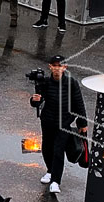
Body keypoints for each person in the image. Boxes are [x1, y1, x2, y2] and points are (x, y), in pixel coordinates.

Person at [30, 54, 88, 194]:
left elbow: (79, 103)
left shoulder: (71, 83)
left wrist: (82, 123)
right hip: (48, 121)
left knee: (58, 151)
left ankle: (56, 181)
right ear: (50, 67)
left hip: (64, 123)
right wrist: (34, 100)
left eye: (60, 66)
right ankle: (50, 171)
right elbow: (37, 102)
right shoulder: (44, 82)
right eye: (54, 65)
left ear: (65, 67)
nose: (57, 68)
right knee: (47, 148)